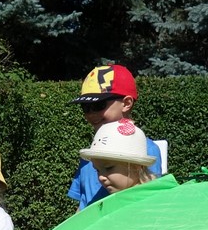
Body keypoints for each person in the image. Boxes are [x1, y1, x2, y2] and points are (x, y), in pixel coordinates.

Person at [65, 64, 163, 211]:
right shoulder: (93, 151)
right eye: (85, 107)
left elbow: (146, 201)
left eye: (99, 105)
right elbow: (84, 203)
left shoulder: (145, 149)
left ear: (126, 103)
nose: (91, 114)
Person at [78, 121, 158, 199]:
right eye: (97, 170)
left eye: (109, 168)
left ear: (136, 166)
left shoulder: (152, 200)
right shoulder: (109, 201)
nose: (101, 177)